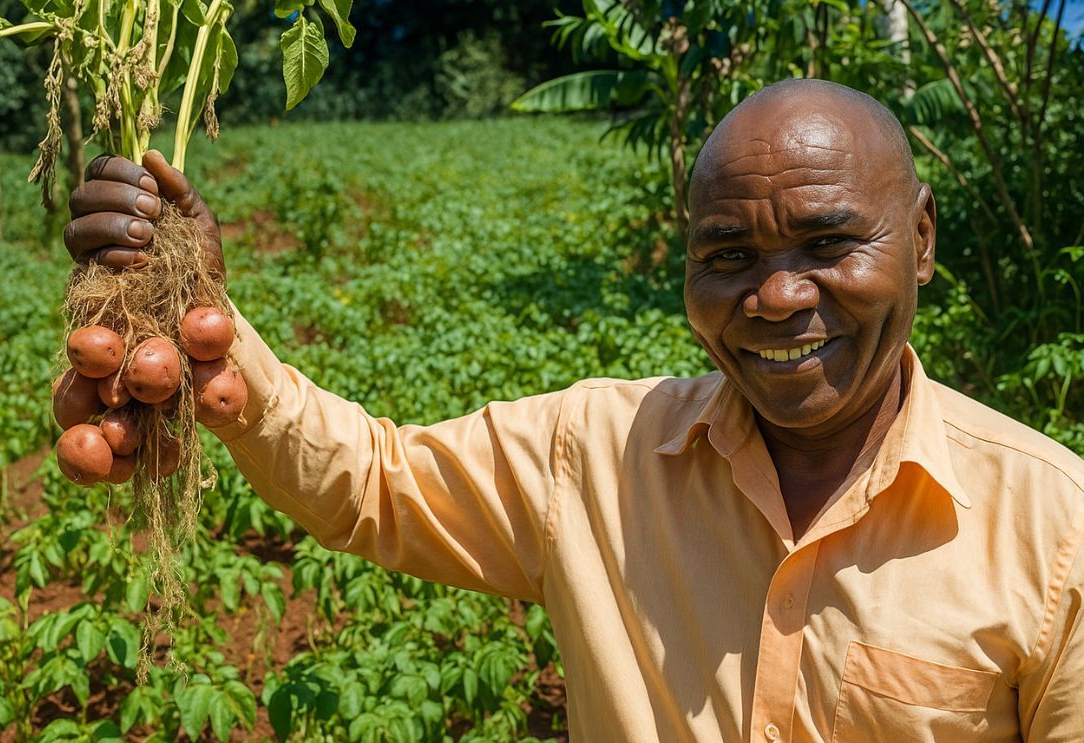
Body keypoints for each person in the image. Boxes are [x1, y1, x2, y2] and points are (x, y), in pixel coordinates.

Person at [63, 79, 1083, 741]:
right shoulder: (597, 450)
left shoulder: (1054, 530)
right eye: (728, 258)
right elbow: (372, 481)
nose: (777, 297)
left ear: (922, 238)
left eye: (827, 246)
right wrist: (208, 324)